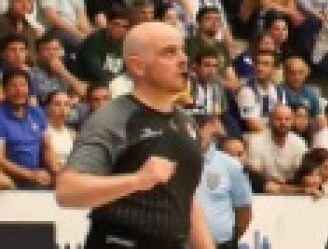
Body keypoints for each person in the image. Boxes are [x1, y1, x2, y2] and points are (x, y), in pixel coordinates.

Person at [56, 20, 214, 249]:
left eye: (182, 50)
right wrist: (137, 181)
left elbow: (185, 196)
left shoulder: (187, 123)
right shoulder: (113, 118)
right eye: (169, 53)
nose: (183, 60)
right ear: (138, 66)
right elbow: (67, 191)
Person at [195, 118, 253, 249]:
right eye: (193, 125)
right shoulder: (172, 162)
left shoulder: (231, 165)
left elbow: (244, 210)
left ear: (213, 126)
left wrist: (228, 241)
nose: (197, 131)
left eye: (202, 124)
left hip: (221, 244)